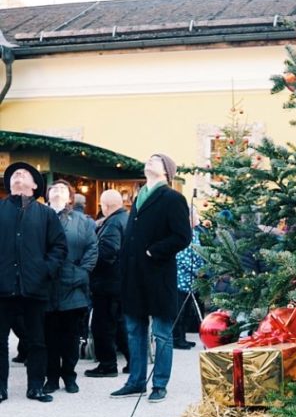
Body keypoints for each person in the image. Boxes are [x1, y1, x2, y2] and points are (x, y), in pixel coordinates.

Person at [112, 153, 191, 402]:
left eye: (155, 160)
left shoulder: (173, 198)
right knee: (134, 330)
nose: (149, 161)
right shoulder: (139, 196)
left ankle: (159, 384)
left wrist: (153, 250)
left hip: (158, 275)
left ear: (167, 171)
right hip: (134, 275)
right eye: (148, 159)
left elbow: (182, 236)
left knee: (161, 332)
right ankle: (135, 382)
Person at [0, 162, 67, 403]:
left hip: (35, 287)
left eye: (23, 173)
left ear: (35, 185)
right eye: (13, 174)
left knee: (37, 340)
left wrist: (44, 270)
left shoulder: (46, 214)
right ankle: (1, 388)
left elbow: (59, 247)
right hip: (3, 287)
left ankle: (36, 387)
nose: (16, 175)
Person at [43, 180, 98, 393]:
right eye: (54, 188)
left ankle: (69, 375)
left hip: (73, 284)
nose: (57, 191)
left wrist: (82, 273)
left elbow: (92, 248)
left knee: (70, 336)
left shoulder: (82, 221)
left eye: (63, 189)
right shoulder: (39, 216)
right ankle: (51, 377)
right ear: (48, 195)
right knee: (48, 336)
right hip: (46, 284)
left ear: (70, 197)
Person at [85, 189, 129, 377]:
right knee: (120, 326)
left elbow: (107, 253)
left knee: (102, 326)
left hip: (107, 285)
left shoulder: (112, 224)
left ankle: (107, 365)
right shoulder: (125, 219)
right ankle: (133, 362)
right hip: (120, 284)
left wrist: (90, 264)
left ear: (105, 206)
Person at [173, 214, 205, 349]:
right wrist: (198, 270)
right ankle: (177, 338)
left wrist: (202, 268)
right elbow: (182, 257)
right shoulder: (183, 233)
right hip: (182, 279)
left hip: (192, 279)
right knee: (180, 310)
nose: (197, 219)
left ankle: (183, 337)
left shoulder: (195, 234)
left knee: (187, 311)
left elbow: (198, 253)